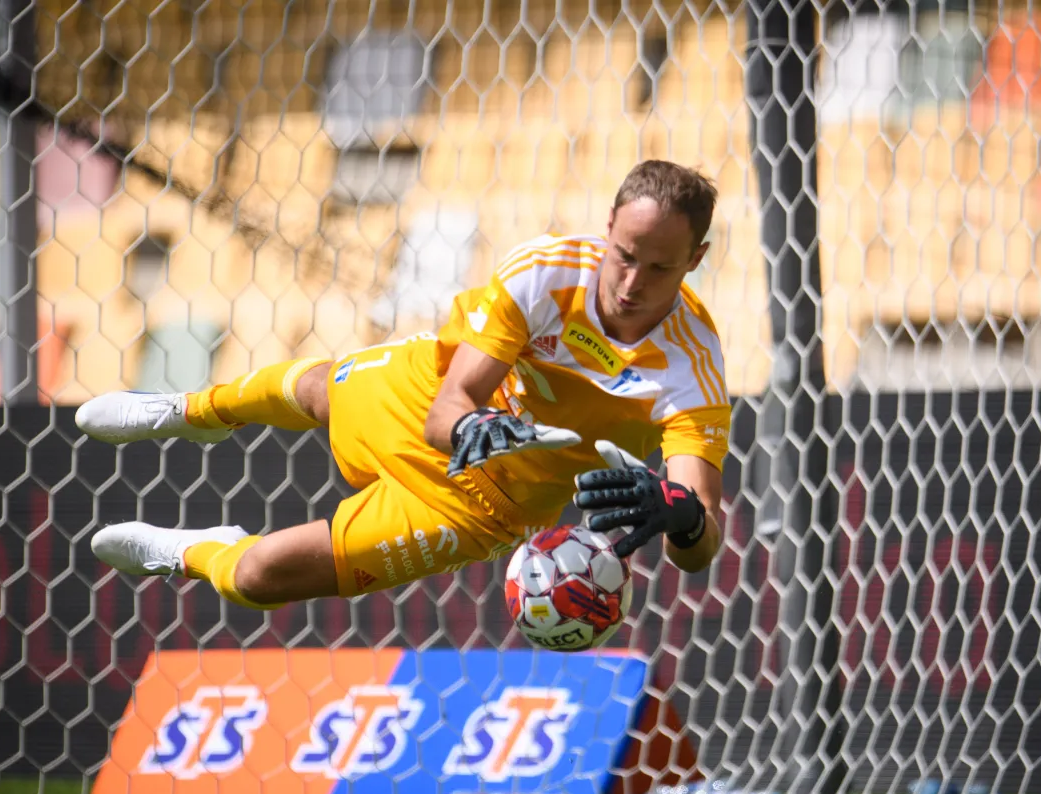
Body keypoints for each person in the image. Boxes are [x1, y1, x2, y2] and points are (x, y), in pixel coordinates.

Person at [80, 160, 732, 610]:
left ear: (695, 260)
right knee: (316, 390)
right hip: (431, 397)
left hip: (482, 506)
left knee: (255, 576)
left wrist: (681, 517)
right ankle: (187, 409)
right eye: (623, 254)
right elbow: (448, 408)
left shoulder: (689, 369)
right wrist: (473, 425)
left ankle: (191, 551)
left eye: (659, 267)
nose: (629, 283)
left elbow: (700, 547)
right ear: (608, 224)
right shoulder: (546, 270)